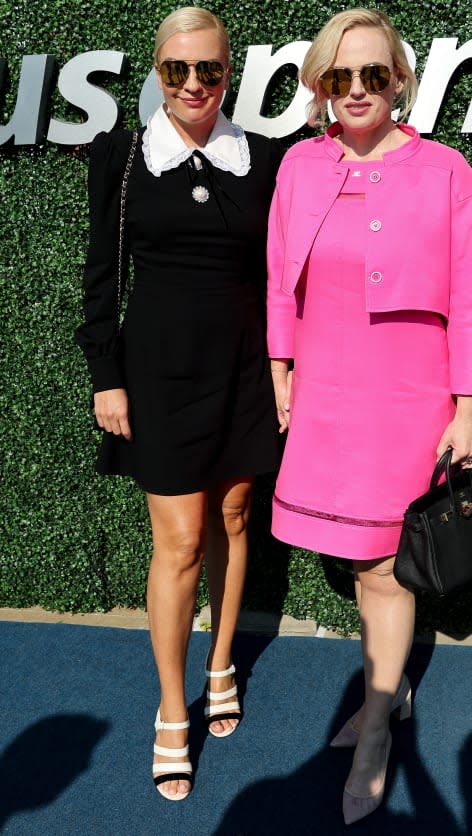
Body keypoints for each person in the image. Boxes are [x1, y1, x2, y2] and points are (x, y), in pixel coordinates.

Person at [267, 8, 472, 825]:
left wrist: (468, 407)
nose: (356, 90)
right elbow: (275, 280)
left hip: (411, 396)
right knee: (359, 562)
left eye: (373, 74)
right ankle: (382, 698)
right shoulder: (298, 167)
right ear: (321, 86)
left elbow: (470, 299)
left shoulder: (447, 172)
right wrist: (281, 370)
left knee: (387, 568)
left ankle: (374, 732)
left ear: (398, 79)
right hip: (327, 390)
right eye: (339, 77)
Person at [76, 7, 281, 801]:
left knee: (234, 519)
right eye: (177, 70)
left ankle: (222, 659)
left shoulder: (261, 157)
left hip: (243, 372)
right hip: (157, 374)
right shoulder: (122, 156)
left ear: (229, 73)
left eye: (210, 70)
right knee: (181, 541)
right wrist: (105, 373)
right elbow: (102, 274)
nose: (194, 84)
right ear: (156, 74)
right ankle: (171, 706)